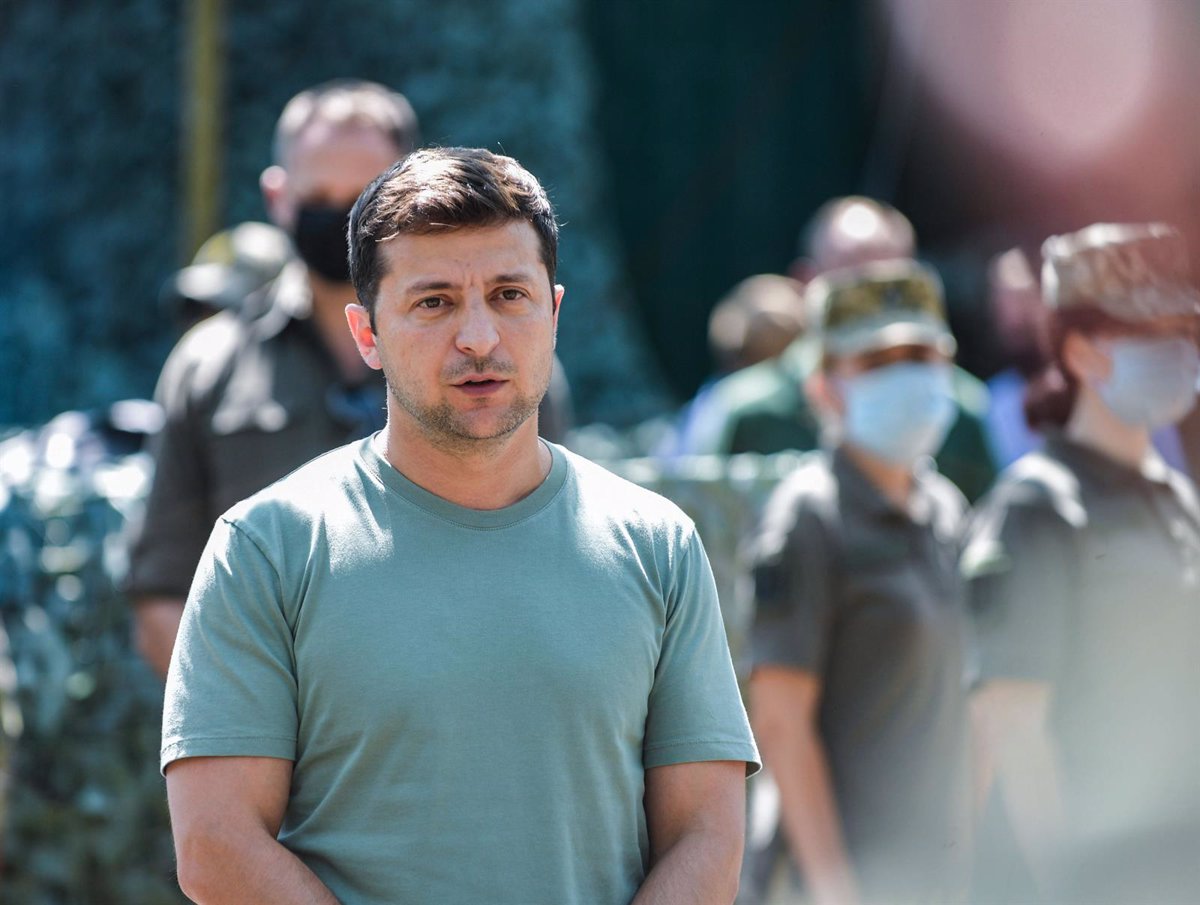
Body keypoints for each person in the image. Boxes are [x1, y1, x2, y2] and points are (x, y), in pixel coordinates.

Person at [161, 147, 760, 904]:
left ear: (554, 313)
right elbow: (216, 844)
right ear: (367, 333)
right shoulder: (266, 548)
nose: (478, 336)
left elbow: (707, 836)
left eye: (509, 295)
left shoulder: (658, 546)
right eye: (434, 302)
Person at [126, 80, 420, 678]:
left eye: (364, 198)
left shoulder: (485, 363)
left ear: (414, 196)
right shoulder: (209, 367)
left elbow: (547, 560)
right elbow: (161, 593)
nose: (342, 219)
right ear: (277, 196)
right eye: (318, 197)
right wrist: (254, 718)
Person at [964, 223, 1200, 903]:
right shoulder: (1036, 508)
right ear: (1079, 351)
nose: (1176, 349)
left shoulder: (1175, 496)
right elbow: (1014, 729)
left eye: (1183, 329)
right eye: (1148, 331)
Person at [748, 260, 973, 905]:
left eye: (922, 355)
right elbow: (781, 723)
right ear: (825, 386)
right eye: (876, 362)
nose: (906, 375)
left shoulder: (946, 509)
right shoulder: (808, 516)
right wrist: (836, 888)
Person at [683, 197, 996, 503]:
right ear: (807, 283)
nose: (876, 301)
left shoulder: (958, 410)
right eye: (854, 276)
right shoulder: (748, 413)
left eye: (895, 282)